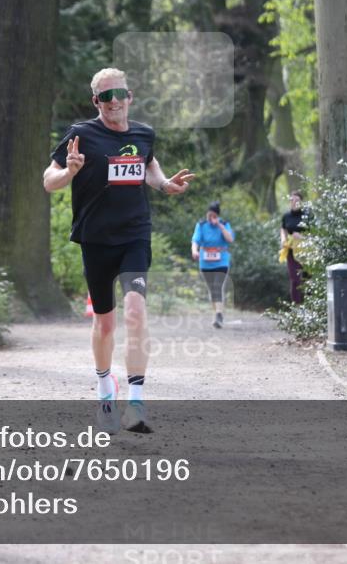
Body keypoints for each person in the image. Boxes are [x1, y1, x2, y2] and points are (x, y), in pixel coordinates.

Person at [43, 68, 195, 434]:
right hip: (95, 238)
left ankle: (137, 402)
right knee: (105, 322)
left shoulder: (144, 134)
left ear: (130, 97)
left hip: (134, 236)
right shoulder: (80, 135)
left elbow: (148, 166)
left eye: (119, 94)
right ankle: (104, 389)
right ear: (96, 102)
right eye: (105, 96)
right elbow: (49, 180)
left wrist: (163, 185)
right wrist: (69, 173)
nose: (114, 102)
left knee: (136, 312)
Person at [191, 201, 234, 328]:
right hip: (205, 262)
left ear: (218, 216)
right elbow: (195, 240)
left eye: (214, 216)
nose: (211, 218)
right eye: (209, 215)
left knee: (217, 287)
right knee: (212, 289)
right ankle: (217, 313)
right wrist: (194, 251)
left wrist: (220, 226)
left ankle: (219, 314)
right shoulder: (201, 225)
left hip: (221, 261)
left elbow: (230, 239)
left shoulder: (225, 225)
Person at [279, 191, 311, 304]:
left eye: (297, 201)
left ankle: (310, 306)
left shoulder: (307, 215)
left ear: (302, 202)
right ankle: (297, 307)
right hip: (291, 251)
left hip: (307, 251)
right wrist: (283, 239)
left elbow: (315, 234)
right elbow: (283, 228)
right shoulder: (286, 216)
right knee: (295, 279)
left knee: (307, 278)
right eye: (292, 200)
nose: (294, 203)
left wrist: (301, 237)